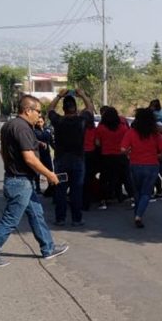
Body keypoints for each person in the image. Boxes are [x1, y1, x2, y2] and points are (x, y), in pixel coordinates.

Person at [0, 95, 67, 267]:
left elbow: (3, 153)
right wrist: (49, 174)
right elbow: (30, 158)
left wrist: (12, 168)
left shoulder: (9, 126)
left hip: (19, 179)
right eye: (38, 112)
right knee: (10, 220)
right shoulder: (23, 128)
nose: (40, 116)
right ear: (28, 110)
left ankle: (48, 248)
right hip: (20, 182)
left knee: (36, 214)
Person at [48, 89, 94, 227]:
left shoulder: (58, 121)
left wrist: (58, 96)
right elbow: (90, 109)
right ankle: (76, 219)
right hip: (78, 160)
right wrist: (83, 95)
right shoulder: (81, 121)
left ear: (63, 109)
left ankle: (60, 218)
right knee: (76, 190)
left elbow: (50, 109)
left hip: (61, 160)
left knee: (60, 190)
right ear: (76, 108)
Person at [120, 108, 162, 228]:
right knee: (146, 193)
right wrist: (156, 156)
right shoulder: (155, 135)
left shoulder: (131, 132)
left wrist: (130, 154)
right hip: (152, 166)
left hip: (135, 165)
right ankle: (138, 216)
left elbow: (123, 149)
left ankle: (137, 213)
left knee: (137, 192)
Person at [96, 107, 131, 207]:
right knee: (125, 177)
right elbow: (127, 143)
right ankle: (132, 197)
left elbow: (98, 143)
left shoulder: (101, 128)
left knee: (105, 178)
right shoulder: (123, 128)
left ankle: (103, 200)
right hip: (120, 156)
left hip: (106, 156)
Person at [82, 110, 98, 210]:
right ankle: (88, 199)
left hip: (81, 154)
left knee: (81, 179)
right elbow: (97, 143)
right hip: (92, 155)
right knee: (89, 178)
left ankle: (81, 200)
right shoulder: (94, 130)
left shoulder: (79, 130)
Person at [33, 115, 54, 194]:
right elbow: (33, 141)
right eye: (38, 122)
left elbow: (51, 141)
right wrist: (39, 143)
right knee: (37, 172)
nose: (40, 123)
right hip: (38, 154)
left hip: (46, 154)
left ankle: (51, 187)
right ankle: (37, 187)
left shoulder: (47, 130)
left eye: (41, 122)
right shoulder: (33, 131)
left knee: (49, 170)